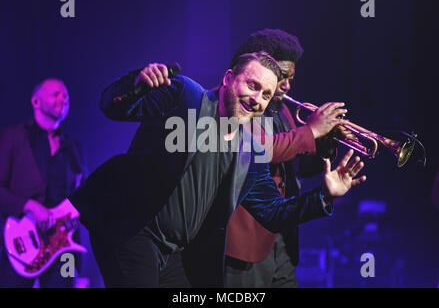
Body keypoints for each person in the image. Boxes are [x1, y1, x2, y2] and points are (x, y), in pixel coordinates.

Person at [68, 51, 366, 287]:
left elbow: (272, 212)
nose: (257, 99)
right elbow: (114, 107)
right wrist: (136, 84)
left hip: (175, 252)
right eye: (252, 85)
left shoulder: (250, 149)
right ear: (228, 78)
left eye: (265, 94)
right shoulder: (186, 96)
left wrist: (325, 197)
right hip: (133, 231)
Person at [224, 29, 351, 287]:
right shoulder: (238, 105)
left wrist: (325, 146)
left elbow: (292, 167)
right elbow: (259, 150)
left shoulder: (281, 111)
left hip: (279, 240)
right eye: (282, 78)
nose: (288, 86)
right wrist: (311, 130)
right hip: (243, 245)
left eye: (290, 78)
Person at [0, 79, 87, 287]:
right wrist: (28, 205)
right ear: (36, 102)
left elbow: (83, 198)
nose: (63, 99)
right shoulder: (14, 138)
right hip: (20, 244)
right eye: (55, 94)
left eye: (66, 95)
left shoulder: (74, 148)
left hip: (64, 248)